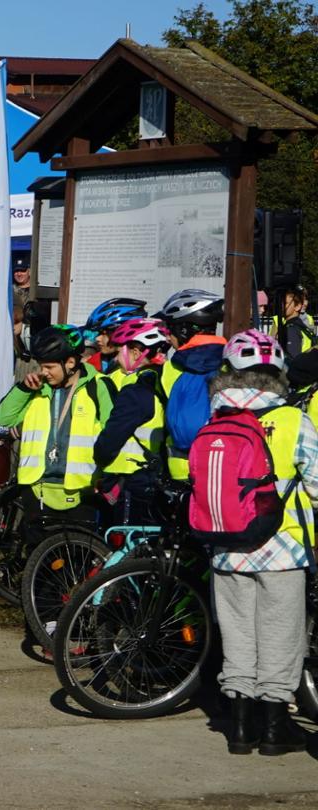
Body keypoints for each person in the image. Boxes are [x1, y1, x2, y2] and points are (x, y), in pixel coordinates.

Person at [201, 331, 314, 757]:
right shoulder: (293, 420)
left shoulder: (215, 420)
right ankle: (274, 727)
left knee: (238, 635)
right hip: (283, 548)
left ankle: (240, 728)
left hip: (227, 547)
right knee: (281, 636)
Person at [0, 325, 114, 541]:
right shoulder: (37, 388)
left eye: (49, 366)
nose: (44, 372)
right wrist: (24, 389)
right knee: (37, 554)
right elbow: (4, 418)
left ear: (70, 362)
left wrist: (108, 477)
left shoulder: (98, 386)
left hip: (81, 487)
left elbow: (113, 433)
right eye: (41, 366)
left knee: (77, 555)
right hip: (37, 485)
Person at [93, 318, 172, 527]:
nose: (117, 358)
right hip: (158, 475)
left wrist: (99, 456)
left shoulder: (136, 390)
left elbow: (112, 436)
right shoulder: (165, 380)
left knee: (124, 539)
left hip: (131, 478)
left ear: (136, 353)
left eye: (121, 351)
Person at [157, 289, 227, 482]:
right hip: (222, 469)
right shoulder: (232, 363)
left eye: (169, 330)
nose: (167, 338)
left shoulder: (171, 369)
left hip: (180, 473)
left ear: (183, 331)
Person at [82, 298, 147, 373]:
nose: (97, 338)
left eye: (104, 333)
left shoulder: (145, 370)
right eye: (99, 333)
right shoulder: (99, 362)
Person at [265, 285, 315, 361]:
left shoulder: (291, 329)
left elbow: (291, 360)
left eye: (285, 303)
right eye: (280, 302)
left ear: (297, 306)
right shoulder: (300, 326)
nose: (281, 306)